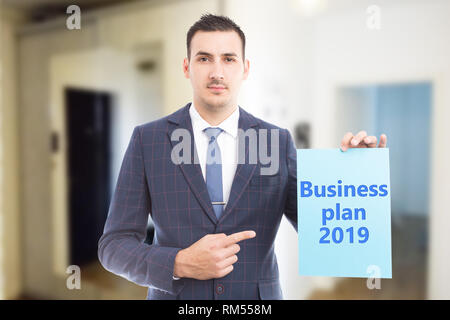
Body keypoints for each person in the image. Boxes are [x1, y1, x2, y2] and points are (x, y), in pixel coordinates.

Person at [97, 14, 387, 300]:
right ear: (186, 67)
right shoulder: (148, 140)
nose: (217, 73)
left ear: (245, 68)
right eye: (204, 58)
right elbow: (113, 246)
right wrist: (179, 262)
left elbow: (324, 232)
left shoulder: (276, 142)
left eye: (229, 58)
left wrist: (355, 179)